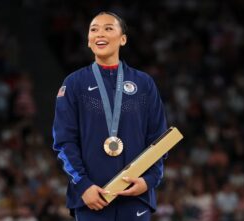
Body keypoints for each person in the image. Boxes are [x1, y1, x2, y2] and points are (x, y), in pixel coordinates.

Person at [52, 11, 168, 221]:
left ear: (123, 39)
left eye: (108, 28)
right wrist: (83, 185)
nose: (99, 34)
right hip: (91, 198)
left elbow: (159, 140)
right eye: (93, 30)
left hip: (136, 196)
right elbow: (64, 141)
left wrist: (149, 180)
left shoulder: (143, 84)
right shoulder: (74, 84)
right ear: (88, 41)